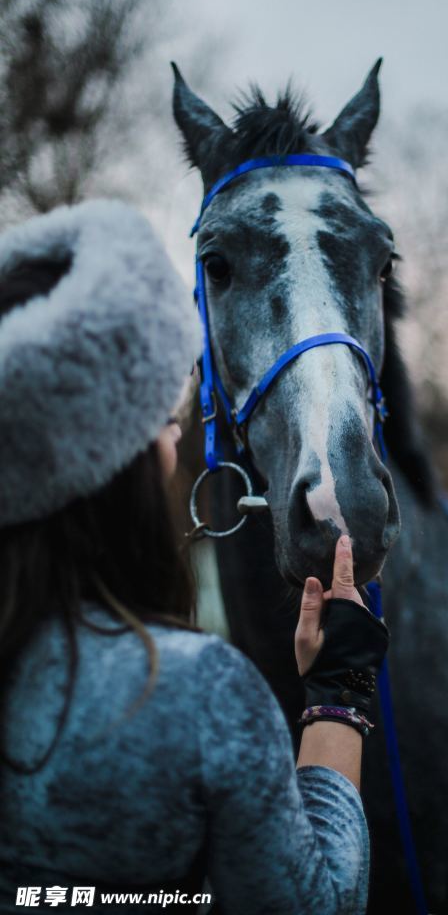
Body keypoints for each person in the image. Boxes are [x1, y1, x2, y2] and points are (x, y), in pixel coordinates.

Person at [0, 201, 389, 914]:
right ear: (104, 461)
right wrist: (340, 691)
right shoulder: (197, 693)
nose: (175, 438)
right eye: (158, 418)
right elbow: (316, 905)